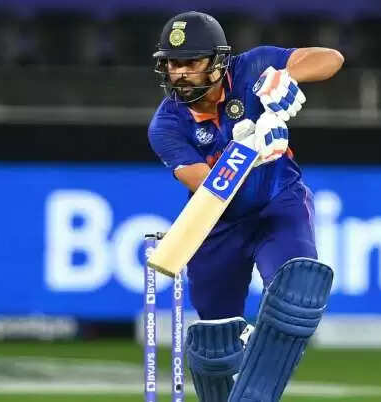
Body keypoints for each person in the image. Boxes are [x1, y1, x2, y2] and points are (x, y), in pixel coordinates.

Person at [148, 11, 343, 402]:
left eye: (191, 62)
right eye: (172, 63)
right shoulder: (166, 126)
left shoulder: (253, 66)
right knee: (215, 346)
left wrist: (286, 77)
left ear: (217, 61)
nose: (180, 73)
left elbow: (331, 59)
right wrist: (250, 151)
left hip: (278, 204)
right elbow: (208, 187)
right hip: (216, 223)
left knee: (297, 290)